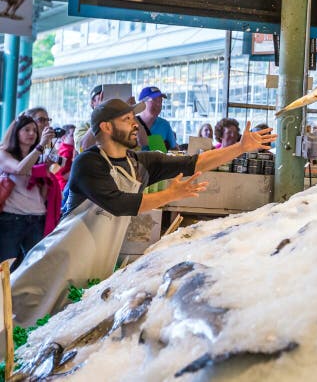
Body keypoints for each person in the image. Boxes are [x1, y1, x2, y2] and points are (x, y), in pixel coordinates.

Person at [10, 99, 276, 326]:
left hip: (94, 265)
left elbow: (193, 162)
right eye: (127, 119)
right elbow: (117, 203)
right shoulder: (88, 162)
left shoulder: (139, 163)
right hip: (57, 260)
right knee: (17, 318)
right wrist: (170, 195)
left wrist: (239, 149)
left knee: (61, 328)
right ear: (106, 126)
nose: (135, 123)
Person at [0, 116, 56, 270]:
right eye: (26, 130)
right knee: (6, 267)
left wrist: (46, 169)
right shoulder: (4, 153)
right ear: (16, 132)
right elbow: (19, 169)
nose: (32, 133)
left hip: (37, 217)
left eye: (34, 131)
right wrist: (41, 146)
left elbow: (42, 193)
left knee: (33, 268)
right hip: (12, 218)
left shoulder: (38, 157)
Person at [136, 86, 177, 151]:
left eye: (160, 101)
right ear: (142, 103)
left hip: (158, 161)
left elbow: (174, 149)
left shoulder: (164, 124)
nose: (158, 104)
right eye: (154, 100)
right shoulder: (132, 123)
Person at [75, 85, 104, 152]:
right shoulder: (84, 126)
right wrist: (100, 114)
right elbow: (83, 148)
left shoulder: (118, 123)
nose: (106, 101)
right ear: (92, 103)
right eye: (101, 98)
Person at [53, 124, 76, 192]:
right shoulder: (66, 152)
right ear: (63, 138)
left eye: (75, 135)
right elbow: (60, 175)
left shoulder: (69, 149)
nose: (75, 138)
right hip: (65, 186)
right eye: (72, 135)